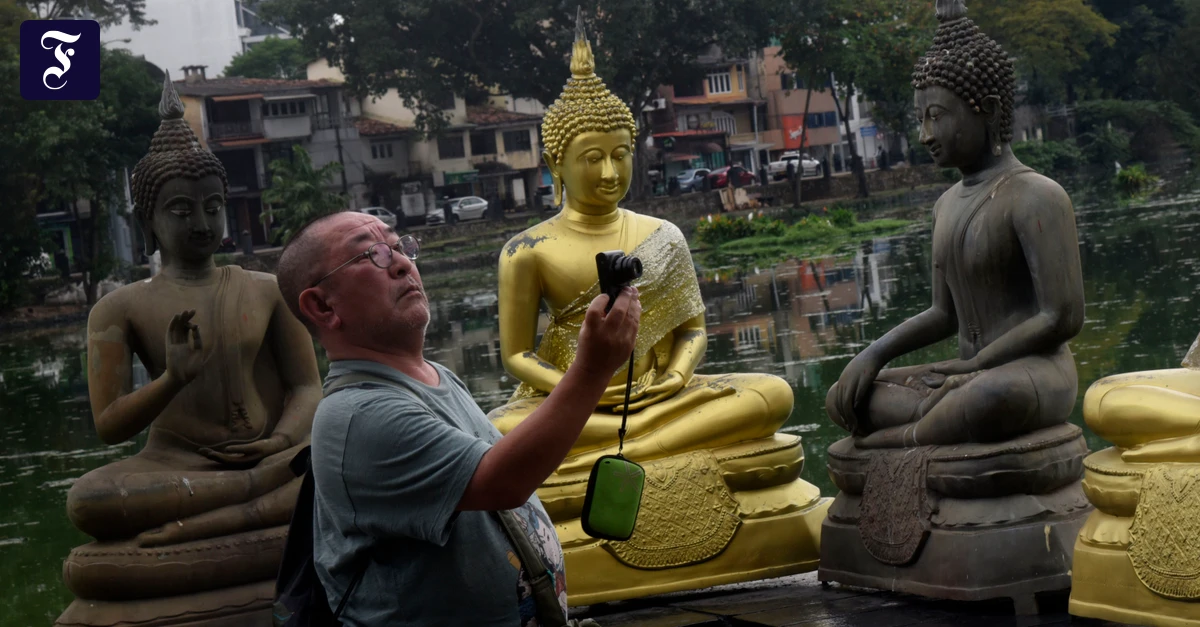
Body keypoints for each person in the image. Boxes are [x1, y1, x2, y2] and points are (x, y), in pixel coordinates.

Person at [275, 210, 640, 625]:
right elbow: (502, 482)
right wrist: (592, 370)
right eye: (372, 254)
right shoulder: (356, 415)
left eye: (398, 247)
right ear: (322, 306)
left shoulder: (436, 375)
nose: (402, 263)